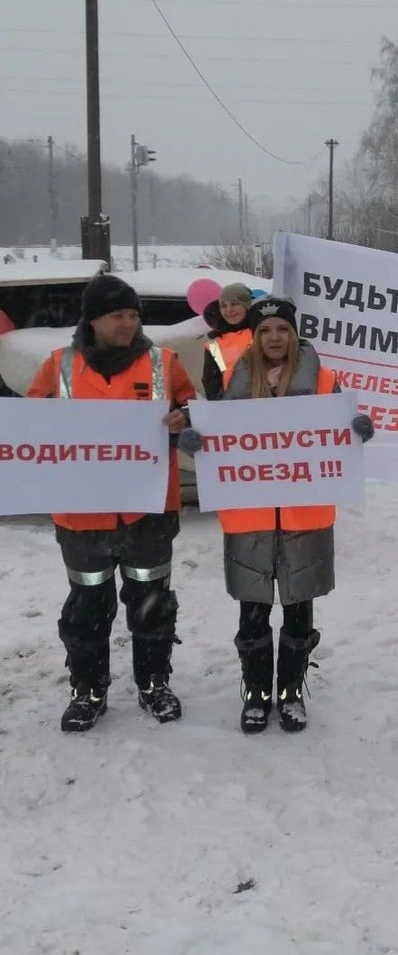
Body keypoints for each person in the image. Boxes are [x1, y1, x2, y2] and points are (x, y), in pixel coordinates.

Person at [179, 296, 373, 734]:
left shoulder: (324, 379)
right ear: (254, 336)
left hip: (305, 514)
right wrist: (194, 441)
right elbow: (215, 436)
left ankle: (289, 691)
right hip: (249, 516)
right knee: (253, 610)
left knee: (299, 609)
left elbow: (341, 433)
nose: (274, 338)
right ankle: (256, 692)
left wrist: (357, 431)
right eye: (265, 331)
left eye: (282, 329)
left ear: (294, 334)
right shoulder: (233, 380)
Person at [26, 273, 197, 733]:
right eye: (118, 315)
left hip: (148, 510)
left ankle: (154, 682)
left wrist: (185, 419)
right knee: (86, 605)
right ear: (93, 319)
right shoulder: (59, 365)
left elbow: (194, 411)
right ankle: (88, 689)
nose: (129, 323)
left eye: (134, 315)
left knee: (152, 602)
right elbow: (30, 426)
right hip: (81, 512)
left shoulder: (163, 362)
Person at [200, 282, 254, 400]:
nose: (229, 310)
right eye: (223, 306)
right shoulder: (215, 344)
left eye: (234, 304)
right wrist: (220, 403)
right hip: (231, 404)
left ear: (247, 305)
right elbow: (212, 382)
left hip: (266, 401)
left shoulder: (261, 332)